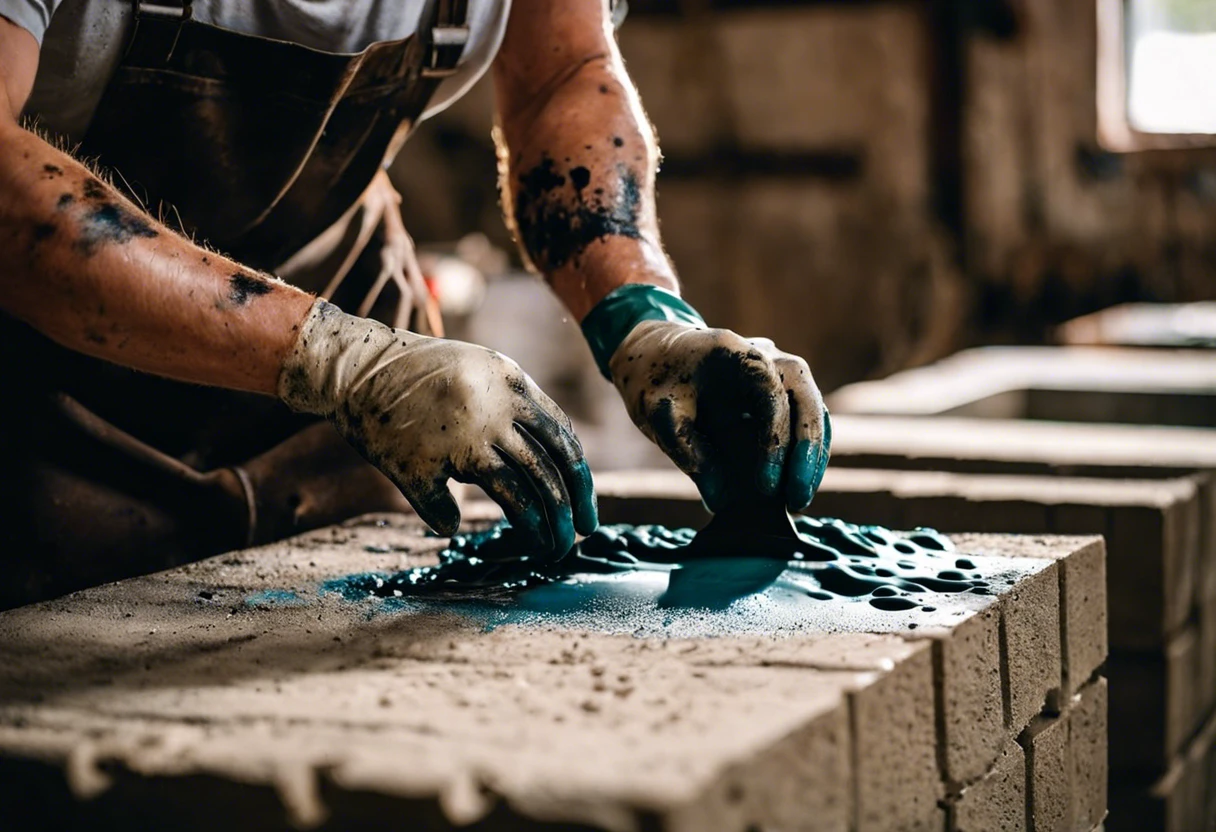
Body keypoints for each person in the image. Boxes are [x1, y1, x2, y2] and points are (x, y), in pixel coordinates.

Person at [0, 0, 830, 606]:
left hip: (342, 320)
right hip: (48, 388)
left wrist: (640, 315)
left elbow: (560, 72)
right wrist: (334, 360)